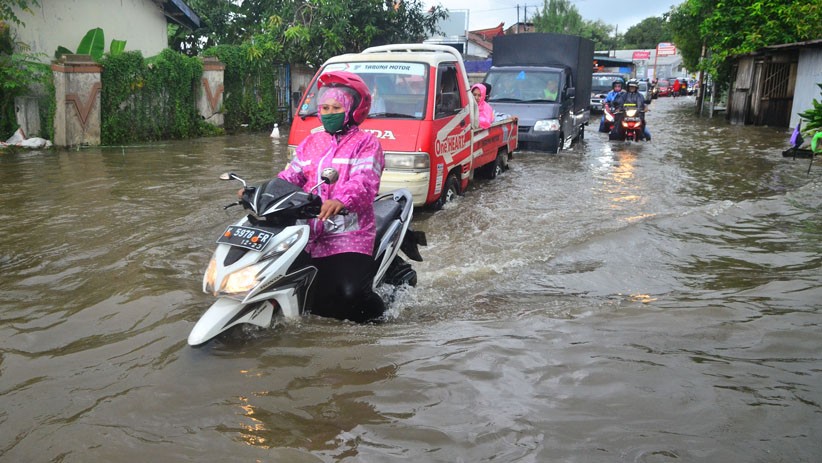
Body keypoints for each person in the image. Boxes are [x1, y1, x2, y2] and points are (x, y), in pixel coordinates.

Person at [277, 71, 387, 322]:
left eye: (336, 107)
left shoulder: (367, 143)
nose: (328, 112)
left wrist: (341, 201)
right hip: (307, 234)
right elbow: (291, 176)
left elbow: (364, 182)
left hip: (350, 234)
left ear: (353, 110)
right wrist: (263, 191)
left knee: (350, 295)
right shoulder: (311, 142)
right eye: (324, 107)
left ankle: (382, 321)